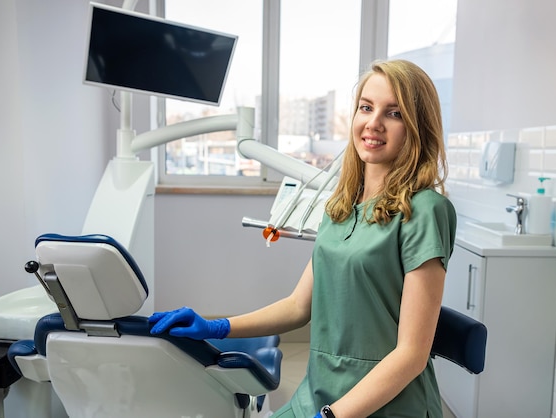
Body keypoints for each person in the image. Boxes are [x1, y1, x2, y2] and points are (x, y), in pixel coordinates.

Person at [149, 59, 457, 418]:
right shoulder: (339, 208)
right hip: (319, 394)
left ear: (417, 126)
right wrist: (217, 325)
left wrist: (332, 417)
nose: (373, 123)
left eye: (394, 113)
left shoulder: (425, 211)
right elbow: (299, 306)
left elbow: (411, 355)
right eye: (366, 108)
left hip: (386, 405)